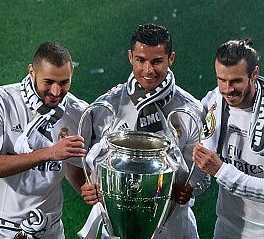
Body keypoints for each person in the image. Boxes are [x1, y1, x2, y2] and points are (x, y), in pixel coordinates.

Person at [69, 24, 209, 239]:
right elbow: (88, 159)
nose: (148, 70)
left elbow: (201, 170)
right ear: (130, 57)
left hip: (172, 225)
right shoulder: (108, 107)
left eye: (157, 61)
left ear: (171, 58)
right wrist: (88, 186)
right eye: (141, 60)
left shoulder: (190, 110)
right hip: (117, 225)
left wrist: (189, 187)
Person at [0, 42, 87, 239]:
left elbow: (73, 166)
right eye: (48, 82)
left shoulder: (78, 112)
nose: (56, 92)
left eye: (64, 82)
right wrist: (49, 153)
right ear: (32, 71)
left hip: (49, 232)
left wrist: (86, 189)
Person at [193, 39, 264, 239]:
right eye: (221, 80)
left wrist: (221, 170)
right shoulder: (213, 101)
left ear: (254, 74)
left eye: (236, 81)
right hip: (228, 230)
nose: (227, 89)